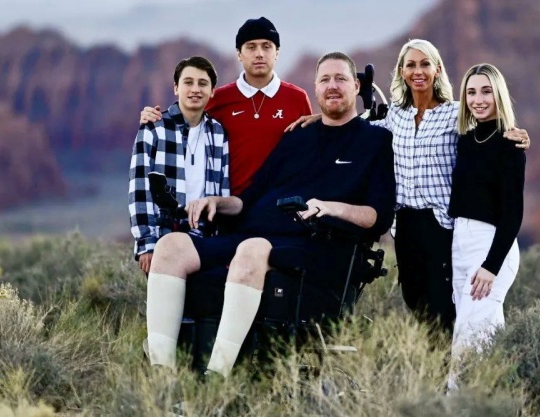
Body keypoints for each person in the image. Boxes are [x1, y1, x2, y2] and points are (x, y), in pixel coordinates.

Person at [144, 51, 396, 376]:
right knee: (171, 246)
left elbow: (379, 216)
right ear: (315, 88)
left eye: (341, 79)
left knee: (252, 249)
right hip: (253, 234)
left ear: (356, 86)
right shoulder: (297, 137)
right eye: (324, 80)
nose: (332, 86)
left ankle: (216, 378)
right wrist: (218, 203)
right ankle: (162, 377)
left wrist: (330, 207)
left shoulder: (375, 140)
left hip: (316, 246)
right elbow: (249, 200)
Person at [288, 39, 530, 333]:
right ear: (402, 72)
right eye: (411, 65)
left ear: (437, 69)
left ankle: (459, 362)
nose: (418, 71)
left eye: (425, 64)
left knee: (446, 311)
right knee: (417, 305)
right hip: (405, 227)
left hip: (443, 227)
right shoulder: (394, 116)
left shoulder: (456, 115)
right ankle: (440, 363)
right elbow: (356, 127)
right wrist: (322, 117)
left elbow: (488, 129)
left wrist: (516, 134)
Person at [138, 17, 313, 196]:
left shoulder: (297, 98)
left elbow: (309, 154)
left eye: (266, 46)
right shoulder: (219, 98)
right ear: (239, 54)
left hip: (279, 206)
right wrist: (155, 117)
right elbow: (185, 122)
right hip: (230, 207)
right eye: (251, 47)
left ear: (277, 52)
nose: (259, 53)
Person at [447, 63, 525, 388]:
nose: (478, 99)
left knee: (467, 344)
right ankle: (504, 402)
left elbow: (513, 213)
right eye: (471, 92)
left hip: (491, 246)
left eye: (486, 91)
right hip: (460, 244)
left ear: (498, 94)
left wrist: (491, 266)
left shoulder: (510, 143)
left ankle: (455, 407)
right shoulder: (465, 140)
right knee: (481, 339)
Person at [128, 56, 229, 273]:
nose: (195, 89)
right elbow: (139, 189)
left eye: (203, 83)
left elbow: (223, 189)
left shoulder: (218, 133)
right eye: (188, 82)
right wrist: (146, 243)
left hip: (205, 242)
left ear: (212, 91)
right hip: (164, 240)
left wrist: (222, 243)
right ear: (176, 88)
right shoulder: (154, 128)